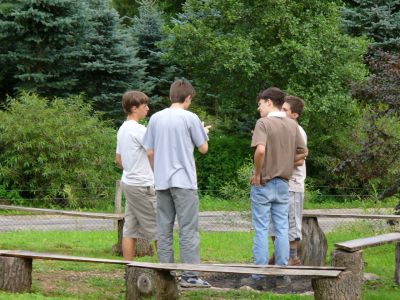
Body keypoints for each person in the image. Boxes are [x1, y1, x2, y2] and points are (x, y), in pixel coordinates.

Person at [143, 79, 211, 288]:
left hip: (162, 181)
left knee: (164, 227)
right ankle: (190, 276)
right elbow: (203, 148)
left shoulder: (155, 118)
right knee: (188, 228)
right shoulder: (191, 118)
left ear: (170, 96)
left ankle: (166, 273)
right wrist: (204, 133)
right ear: (188, 97)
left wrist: (158, 172)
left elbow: (150, 151)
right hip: (184, 181)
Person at [242, 87, 307, 289]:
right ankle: (282, 276)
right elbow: (303, 151)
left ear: (269, 102)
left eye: (260, 104)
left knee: (261, 229)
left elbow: (260, 150)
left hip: (265, 182)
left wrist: (258, 174)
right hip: (284, 184)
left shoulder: (263, 123)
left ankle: (258, 277)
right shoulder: (291, 124)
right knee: (282, 229)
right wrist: (286, 162)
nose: (259, 108)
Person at [115, 91, 157, 261]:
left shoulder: (122, 129)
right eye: (144, 105)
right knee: (160, 229)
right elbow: (151, 152)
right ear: (134, 108)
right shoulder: (139, 130)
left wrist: (131, 170)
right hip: (143, 185)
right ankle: (167, 273)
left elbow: (118, 159)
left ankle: (129, 269)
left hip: (129, 184)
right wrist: (156, 174)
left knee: (130, 229)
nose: (148, 108)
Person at [268, 96, 308, 266]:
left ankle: (293, 257)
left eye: (285, 110)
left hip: (292, 184)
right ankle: (279, 255)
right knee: (274, 224)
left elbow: (300, 158)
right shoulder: (282, 129)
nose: (281, 112)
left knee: (291, 223)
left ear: (295, 114)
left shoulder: (297, 131)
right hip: (278, 182)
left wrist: (277, 165)